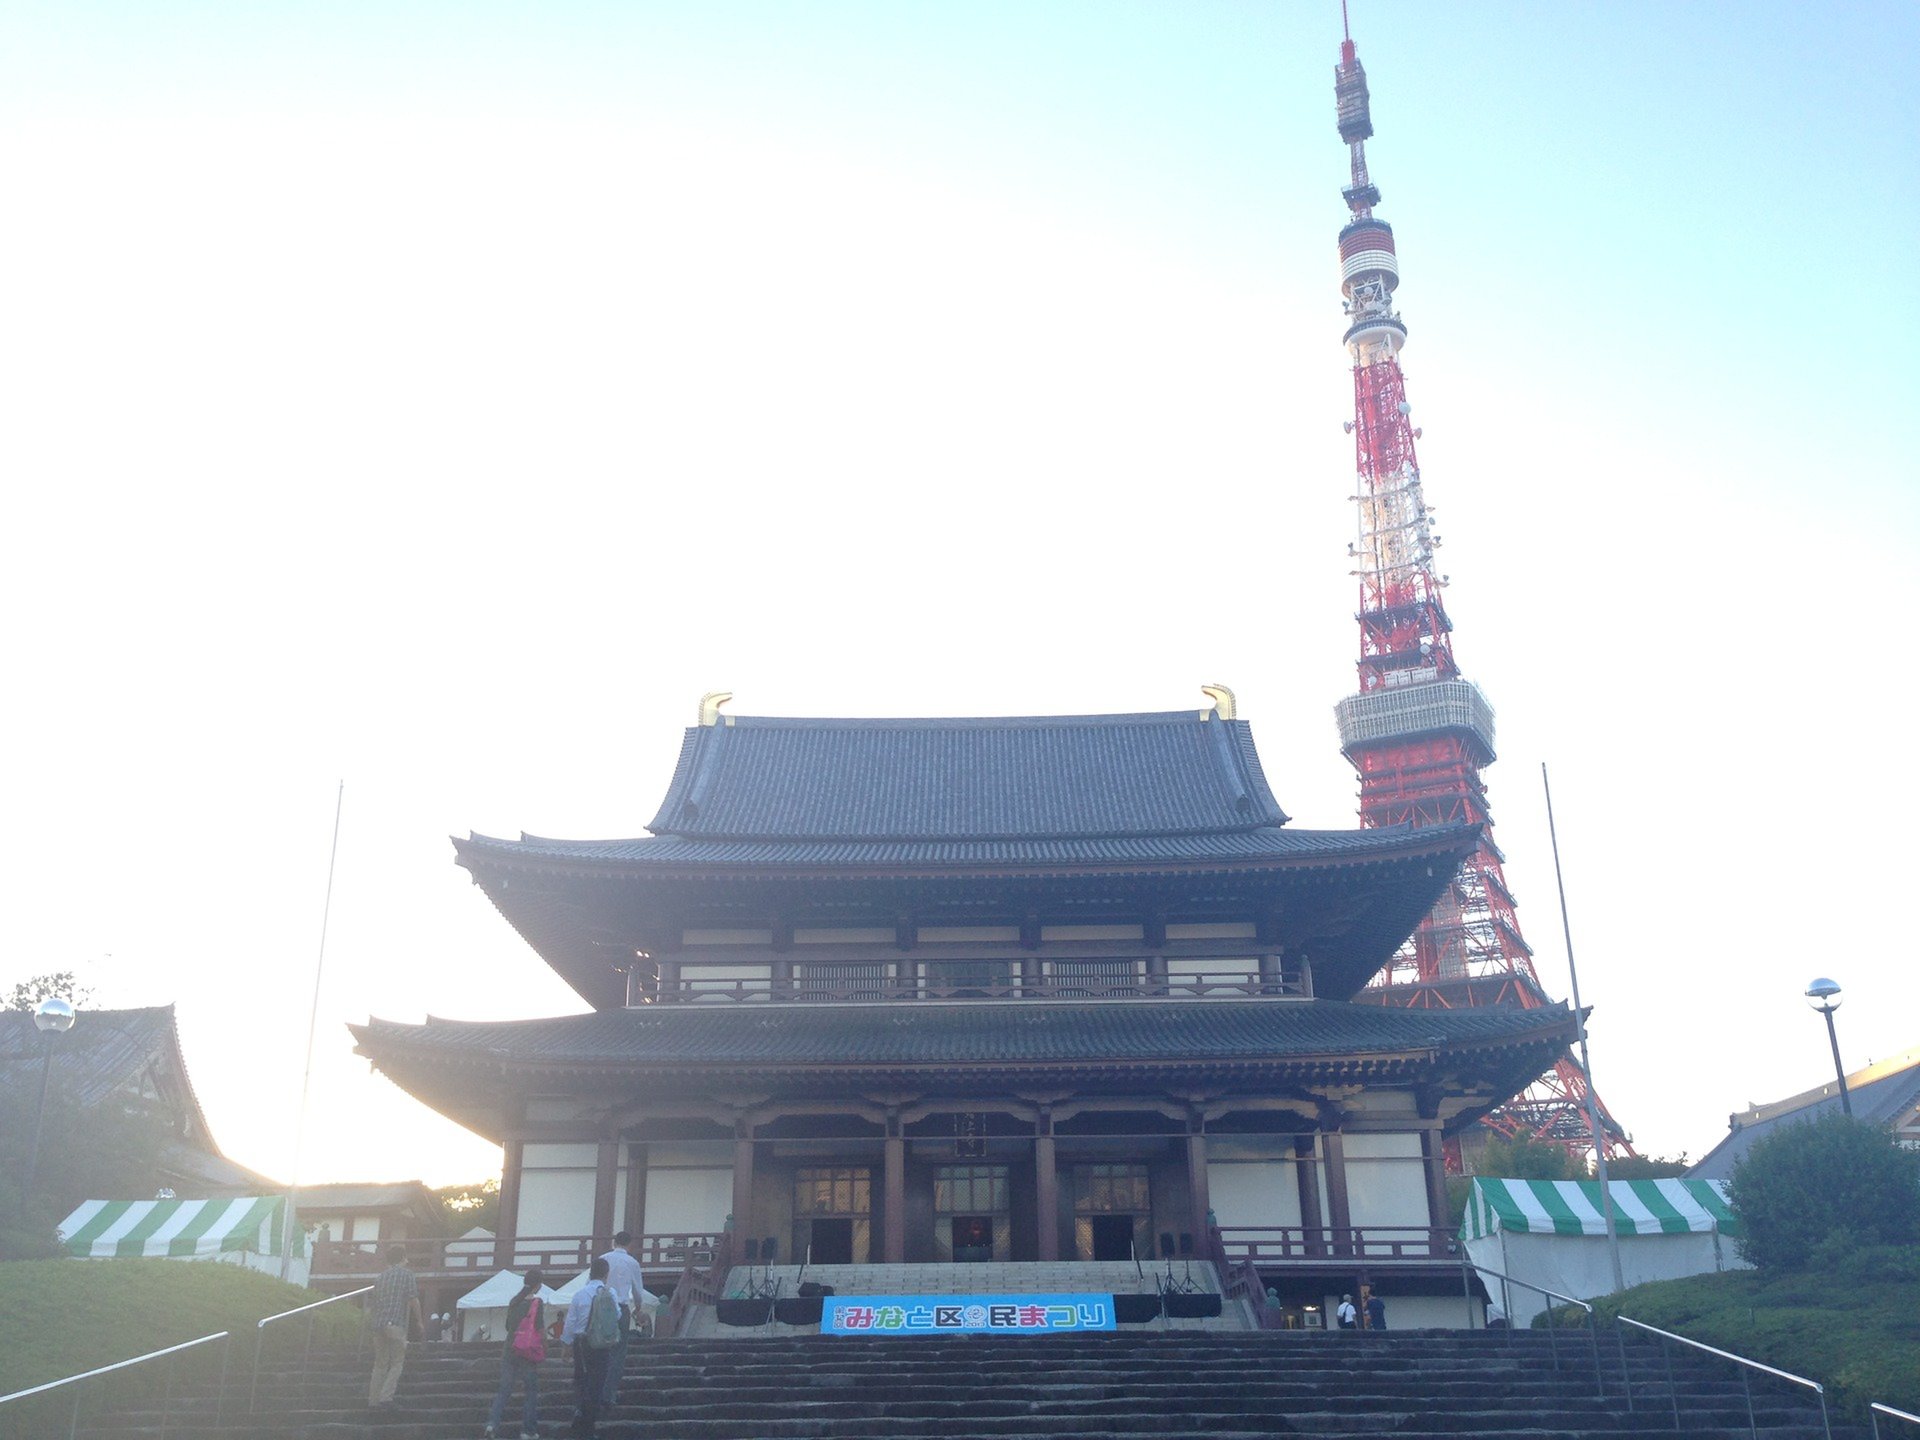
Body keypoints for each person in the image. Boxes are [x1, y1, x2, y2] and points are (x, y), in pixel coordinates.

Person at [484, 1269, 546, 1440]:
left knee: (504, 1390)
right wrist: (544, 1347)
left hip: (509, 1348)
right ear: (538, 1284)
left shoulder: (514, 1301)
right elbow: (540, 1329)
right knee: (531, 1391)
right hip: (527, 1351)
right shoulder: (536, 1303)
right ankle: (528, 1430)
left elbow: (507, 1326)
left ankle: (492, 1424)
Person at [562, 1257, 616, 1437]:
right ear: (606, 1274)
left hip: (582, 1342)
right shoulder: (611, 1293)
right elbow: (615, 1316)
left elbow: (571, 1322)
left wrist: (567, 1344)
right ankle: (588, 1422)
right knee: (598, 1382)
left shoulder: (580, 1294)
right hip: (602, 1343)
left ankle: (580, 1411)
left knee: (581, 1379)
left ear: (590, 1272)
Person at [367, 1246, 422, 1410]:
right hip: (395, 1323)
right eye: (406, 1257)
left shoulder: (380, 1278)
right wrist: (419, 1321)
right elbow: (413, 1299)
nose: (408, 1260)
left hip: (378, 1324)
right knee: (397, 1361)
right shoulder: (407, 1275)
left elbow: (374, 1303)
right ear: (402, 1257)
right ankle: (386, 1397)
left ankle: (373, 1401)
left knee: (380, 1364)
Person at [597, 1231, 646, 1406]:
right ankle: (609, 1394)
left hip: (601, 1308)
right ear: (629, 1244)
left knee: (600, 1349)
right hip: (621, 1307)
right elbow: (637, 1291)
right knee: (618, 1352)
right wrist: (638, 1308)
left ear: (614, 1242)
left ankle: (596, 1389)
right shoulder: (632, 1263)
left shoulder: (603, 1259)